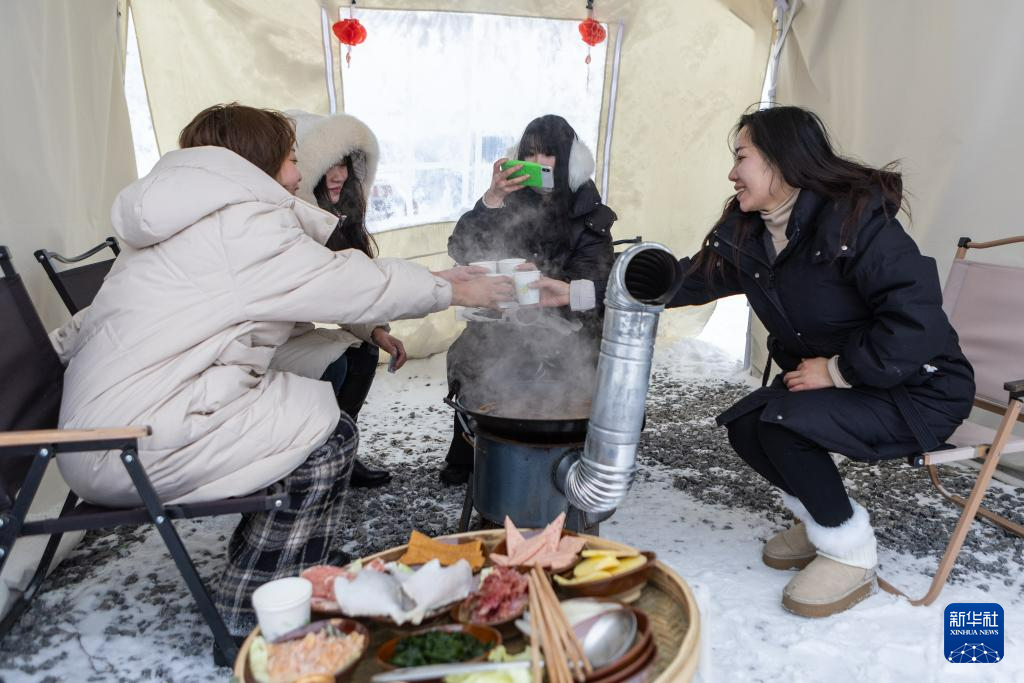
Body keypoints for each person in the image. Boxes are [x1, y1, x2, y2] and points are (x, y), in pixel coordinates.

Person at [54, 104, 511, 648]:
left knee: (311, 399)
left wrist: (388, 317)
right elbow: (350, 284)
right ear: (259, 163)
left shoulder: (187, 217)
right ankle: (251, 600)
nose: (300, 174)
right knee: (327, 436)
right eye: (293, 159)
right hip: (129, 441)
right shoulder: (238, 225)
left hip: (115, 421)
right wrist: (454, 288)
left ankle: (292, 558)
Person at [666, 106, 974, 618]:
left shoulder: (858, 224)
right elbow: (684, 280)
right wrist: (578, 290)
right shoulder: (753, 234)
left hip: (919, 390)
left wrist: (836, 371)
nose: (731, 173)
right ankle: (826, 518)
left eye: (741, 157)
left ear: (782, 162)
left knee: (781, 423)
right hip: (858, 384)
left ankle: (851, 555)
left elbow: (918, 323)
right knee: (746, 425)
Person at [441, 114, 616, 485]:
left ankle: (551, 457)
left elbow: (595, 282)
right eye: (530, 154)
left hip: (568, 323)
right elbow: (461, 249)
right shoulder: (510, 201)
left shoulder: (589, 212)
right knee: (472, 355)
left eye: (548, 154)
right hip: (506, 318)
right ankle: (471, 448)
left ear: (568, 159)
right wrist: (493, 198)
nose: (538, 164)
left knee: (540, 361)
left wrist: (545, 283)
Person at [268, 110, 398, 488]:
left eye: (344, 164)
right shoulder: (288, 221)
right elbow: (329, 293)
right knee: (336, 365)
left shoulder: (337, 216)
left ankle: (342, 451)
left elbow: (345, 292)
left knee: (364, 350)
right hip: (268, 337)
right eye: (328, 165)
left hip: (295, 328)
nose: (339, 174)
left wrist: (375, 331)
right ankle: (312, 461)